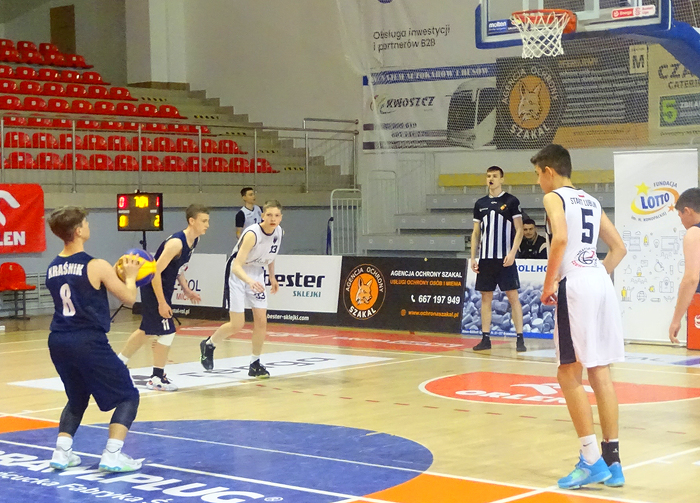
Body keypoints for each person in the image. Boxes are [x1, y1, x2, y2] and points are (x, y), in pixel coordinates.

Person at [533, 144, 626, 489]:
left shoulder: (553, 197)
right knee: (600, 370)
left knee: (568, 372)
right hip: (600, 282)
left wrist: (549, 283)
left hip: (575, 284)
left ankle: (590, 460)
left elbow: (559, 239)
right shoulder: (591, 200)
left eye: (538, 175)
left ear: (549, 171)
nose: (538, 183)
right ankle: (613, 462)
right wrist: (595, 272)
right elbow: (619, 248)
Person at [46, 206, 143, 472]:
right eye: (86, 223)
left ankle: (62, 452)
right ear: (78, 230)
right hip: (87, 340)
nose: (89, 226)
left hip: (58, 340)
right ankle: (112, 454)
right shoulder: (96, 264)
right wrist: (131, 277)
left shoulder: (52, 267)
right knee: (128, 396)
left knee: (77, 397)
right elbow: (129, 298)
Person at [118, 204, 210, 391]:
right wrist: (161, 302)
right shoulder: (176, 243)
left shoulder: (194, 240)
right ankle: (156, 377)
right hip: (154, 287)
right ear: (192, 221)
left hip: (163, 288)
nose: (207, 225)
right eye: (204, 221)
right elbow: (155, 272)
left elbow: (178, 268)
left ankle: (117, 365)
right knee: (168, 331)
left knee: (146, 330)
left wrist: (186, 290)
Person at [200, 200, 283, 377]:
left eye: (276, 215)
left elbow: (271, 254)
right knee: (237, 324)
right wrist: (249, 281)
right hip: (238, 273)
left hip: (257, 273)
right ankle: (209, 344)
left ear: (281, 217)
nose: (272, 219)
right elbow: (237, 266)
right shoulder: (252, 234)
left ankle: (255, 363)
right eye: (269, 215)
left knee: (261, 321)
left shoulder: (279, 232)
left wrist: (272, 276)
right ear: (262, 216)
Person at [470, 165, 527, 352]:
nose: (491, 179)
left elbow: (519, 229)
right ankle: (485, 338)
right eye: (488, 176)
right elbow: (476, 232)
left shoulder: (511, 201)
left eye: (495, 176)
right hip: (486, 259)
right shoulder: (480, 204)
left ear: (502, 179)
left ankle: (520, 338)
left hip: (505, 258)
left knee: (513, 297)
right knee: (485, 297)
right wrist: (473, 257)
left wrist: (512, 253)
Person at [669, 188, 700, 343]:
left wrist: (676, 319)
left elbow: (691, 278)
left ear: (687, 211)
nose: (681, 221)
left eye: (680, 215)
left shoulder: (694, 232)